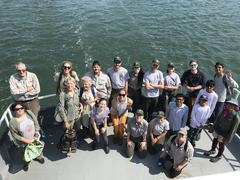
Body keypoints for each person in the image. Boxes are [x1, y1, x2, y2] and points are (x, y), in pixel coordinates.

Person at [9, 102, 45, 171]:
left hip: (35, 138)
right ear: (14, 110)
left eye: (21, 108)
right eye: (17, 109)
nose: (20, 110)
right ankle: (26, 163)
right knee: (26, 154)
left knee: (37, 149)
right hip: (24, 142)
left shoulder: (29, 113)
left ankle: (39, 157)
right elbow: (14, 134)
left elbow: (35, 122)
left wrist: (37, 132)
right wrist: (26, 141)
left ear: (24, 108)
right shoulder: (12, 122)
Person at [204, 98, 240, 163]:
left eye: (232, 105)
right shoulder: (223, 111)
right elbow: (217, 120)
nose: (230, 106)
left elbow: (233, 129)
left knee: (221, 144)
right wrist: (213, 128)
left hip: (224, 133)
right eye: (229, 104)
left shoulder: (236, 117)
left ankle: (219, 155)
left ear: (235, 107)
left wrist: (228, 138)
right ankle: (213, 149)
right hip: (218, 129)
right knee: (215, 139)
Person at [181, 59, 206, 124]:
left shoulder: (201, 74)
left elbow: (203, 85)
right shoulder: (186, 73)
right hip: (188, 92)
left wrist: (194, 88)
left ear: (197, 65)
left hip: (197, 94)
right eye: (191, 65)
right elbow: (182, 81)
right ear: (189, 66)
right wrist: (187, 87)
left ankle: (190, 120)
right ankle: (186, 119)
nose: (193, 66)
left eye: (194, 65)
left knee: (193, 107)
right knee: (187, 106)